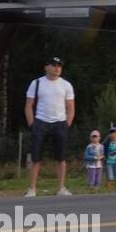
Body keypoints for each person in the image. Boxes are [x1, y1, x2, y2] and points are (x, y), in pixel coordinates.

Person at [24, 56, 75, 197]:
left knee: (61, 158)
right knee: (36, 158)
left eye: (59, 65)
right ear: (46, 67)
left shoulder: (66, 85)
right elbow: (28, 106)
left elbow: (71, 107)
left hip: (60, 123)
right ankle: (32, 189)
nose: (57, 68)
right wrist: (32, 124)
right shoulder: (37, 83)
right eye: (54, 65)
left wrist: (67, 124)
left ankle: (61, 188)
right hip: (40, 122)